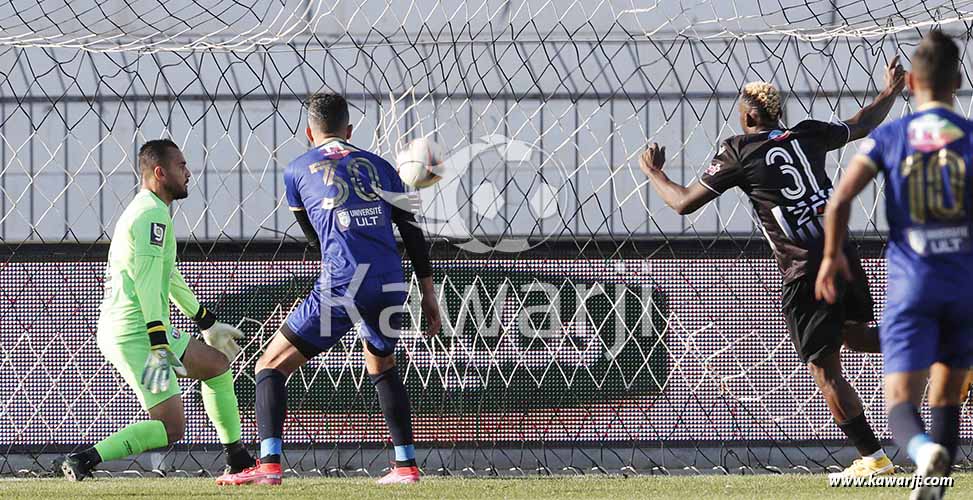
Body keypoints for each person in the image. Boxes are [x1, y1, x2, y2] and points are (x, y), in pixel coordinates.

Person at [639, 59, 905, 479]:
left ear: (748, 116)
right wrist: (890, 91)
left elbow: (683, 203)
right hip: (844, 256)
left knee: (824, 368)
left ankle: (874, 460)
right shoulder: (810, 133)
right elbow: (862, 123)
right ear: (778, 112)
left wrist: (654, 172)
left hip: (806, 270)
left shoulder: (738, 150)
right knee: (854, 337)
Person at [217, 93, 441, 486]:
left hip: (343, 282)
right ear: (349, 130)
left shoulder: (297, 169)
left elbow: (316, 240)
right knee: (382, 365)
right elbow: (413, 234)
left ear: (309, 132)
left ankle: (268, 465)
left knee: (269, 366)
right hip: (390, 282)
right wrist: (428, 295)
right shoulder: (383, 166)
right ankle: (405, 466)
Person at [816, 31, 969, 500]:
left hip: (912, 283)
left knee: (902, 402)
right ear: (958, 80)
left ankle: (922, 453)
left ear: (910, 81)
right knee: (946, 399)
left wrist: (830, 257)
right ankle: (934, 483)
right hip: (965, 285)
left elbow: (839, 200)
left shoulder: (891, 135)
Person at [60, 139, 254, 481]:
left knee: (216, 366)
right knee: (170, 427)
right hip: (138, 333)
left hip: (138, 328)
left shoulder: (151, 210)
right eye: (181, 166)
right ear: (160, 173)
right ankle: (83, 459)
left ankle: (238, 458)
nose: (188, 172)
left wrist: (206, 321)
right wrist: (158, 340)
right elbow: (149, 282)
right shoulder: (151, 215)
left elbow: (168, 275)